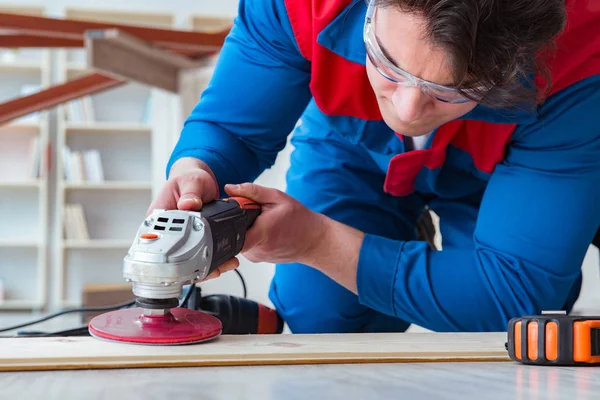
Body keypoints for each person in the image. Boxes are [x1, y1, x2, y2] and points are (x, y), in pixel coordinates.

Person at [149, 0, 600, 333]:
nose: (407, 110)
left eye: (456, 88)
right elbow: (232, 129)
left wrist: (320, 241)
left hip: (505, 169)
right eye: (387, 62)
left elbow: (510, 291)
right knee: (319, 314)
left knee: (514, 328)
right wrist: (198, 167)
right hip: (352, 148)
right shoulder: (294, 6)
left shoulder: (583, 55)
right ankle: (393, 241)